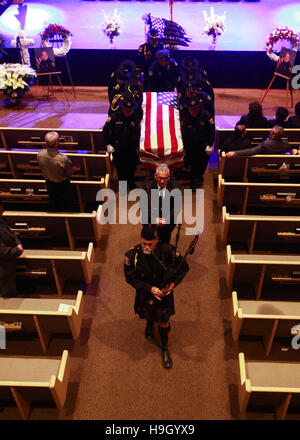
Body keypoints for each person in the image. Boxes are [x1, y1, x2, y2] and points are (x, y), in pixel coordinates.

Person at [124, 225, 189, 369]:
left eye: (150, 244)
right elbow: (130, 278)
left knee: (163, 321)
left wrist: (173, 284)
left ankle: (165, 347)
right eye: (144, 243)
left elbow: (184, 268)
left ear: (156, 240)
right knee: (148, 313)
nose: (146, 247)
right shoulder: (132, 255)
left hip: (163, 295)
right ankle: (149, 323)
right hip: (146, 293)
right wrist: (149, 289)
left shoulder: (168, 251)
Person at [102, 93, 142, 190]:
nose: (128, 112)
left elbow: (138, 132)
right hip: (118, 148)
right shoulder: (114, 117)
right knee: (120, 169)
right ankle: (123, 186)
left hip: (131, 149)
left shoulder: (135, 119)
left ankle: (131, 183)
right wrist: (108, 144)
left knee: (132, 167)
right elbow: (105, 130)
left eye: (130, 110)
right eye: (126, 110)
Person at [180, 96, 215, 189]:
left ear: (198, 108)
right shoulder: (186, 117)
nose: (193, 111)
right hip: (190, 146)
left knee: (201, 164)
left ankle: (198, 179)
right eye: (191, 109)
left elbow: (211, 131)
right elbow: (184, 132)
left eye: (195, 109)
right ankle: (193, 177)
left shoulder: (206, 116)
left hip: (203, 147)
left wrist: (210, 145)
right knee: (192, 163)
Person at [143, 164, 181, 244]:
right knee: (149, 241)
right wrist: (154, 219)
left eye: (165, 178)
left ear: (169, 177)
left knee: (165, 241)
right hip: (150, 219)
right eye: (160, 178)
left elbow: (176, 207)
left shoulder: (175, 187)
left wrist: (166, 220)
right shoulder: (147, 186)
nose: (162, 181)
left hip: (167, 222)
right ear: (155, 176)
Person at [37, 131, 73, 212]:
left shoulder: (40, 154)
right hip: (63, 185)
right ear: (57, 143)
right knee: (66, 207)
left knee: (55, 206)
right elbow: (69, 173)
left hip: (49, 184)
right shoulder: (62, 158)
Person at [0, 199, 24, 298]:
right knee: (9, 299)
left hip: (9, 265)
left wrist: (19, 244)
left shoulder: (1, 221)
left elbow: (12, 234)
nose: (3, 211)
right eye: (0, 209)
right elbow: (3, 251)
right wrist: (18, 250)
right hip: (3, 269)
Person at [225, 125, 299, 157]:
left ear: (273, 135)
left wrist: (235, 153)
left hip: (264, 165)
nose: (270, 131)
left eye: (271, 131)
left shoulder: (266, 144)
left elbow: (252, 151)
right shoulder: (286, 144)